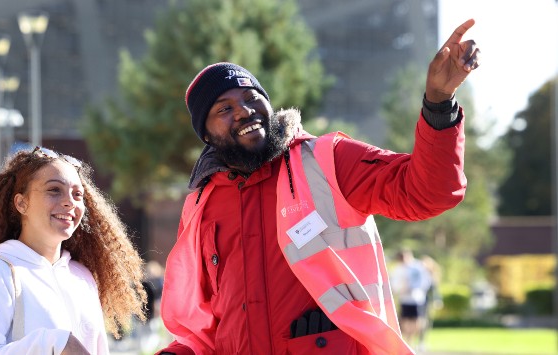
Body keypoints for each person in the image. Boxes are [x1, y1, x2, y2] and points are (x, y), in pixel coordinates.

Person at [156, 18, 480, 355]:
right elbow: (206, 327)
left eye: (252, 97)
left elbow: (428, 193)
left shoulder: (329, 160)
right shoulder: (200, 204)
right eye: (225, 108)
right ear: (205, 134)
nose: (244, 111)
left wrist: (439, 103)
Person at [0, 146, 147, 354]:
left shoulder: (82, 277)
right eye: (54, 190)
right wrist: (54, 342)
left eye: (77, 194)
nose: (69, 202)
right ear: (22, 203)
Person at [390, 249, 433, 351]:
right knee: (405, 320)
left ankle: (413, 339)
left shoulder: (418, 267)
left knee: (417, 321)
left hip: (417, 298)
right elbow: (394, 284)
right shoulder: (398, 269)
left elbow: (425, 280)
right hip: (405, 299)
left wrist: (419, 289)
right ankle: (408, 341)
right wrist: (400, 290)